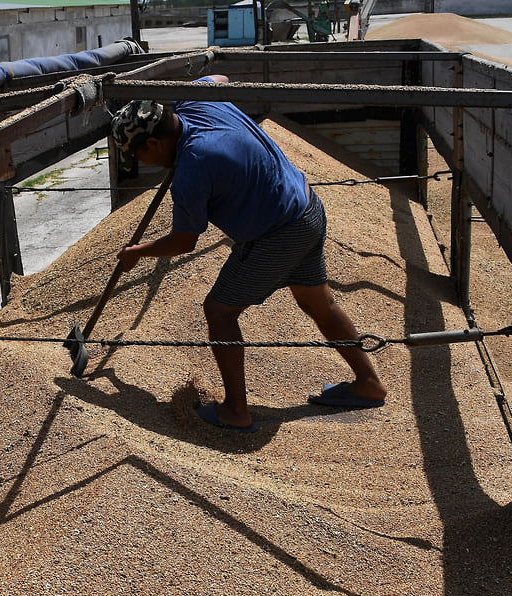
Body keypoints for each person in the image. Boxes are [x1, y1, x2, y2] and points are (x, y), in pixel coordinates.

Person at [111, 75, 386, 433]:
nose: (141, 161)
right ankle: (368, 383)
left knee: (219, 311)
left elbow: (184, 242)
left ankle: (235, 412)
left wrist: (137, 252)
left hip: (277, 234)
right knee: (318, 303)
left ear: (153, 141)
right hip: (306, 207)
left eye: (139, 153)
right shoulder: (197, 100)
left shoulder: (192, 168)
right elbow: (219, 78)